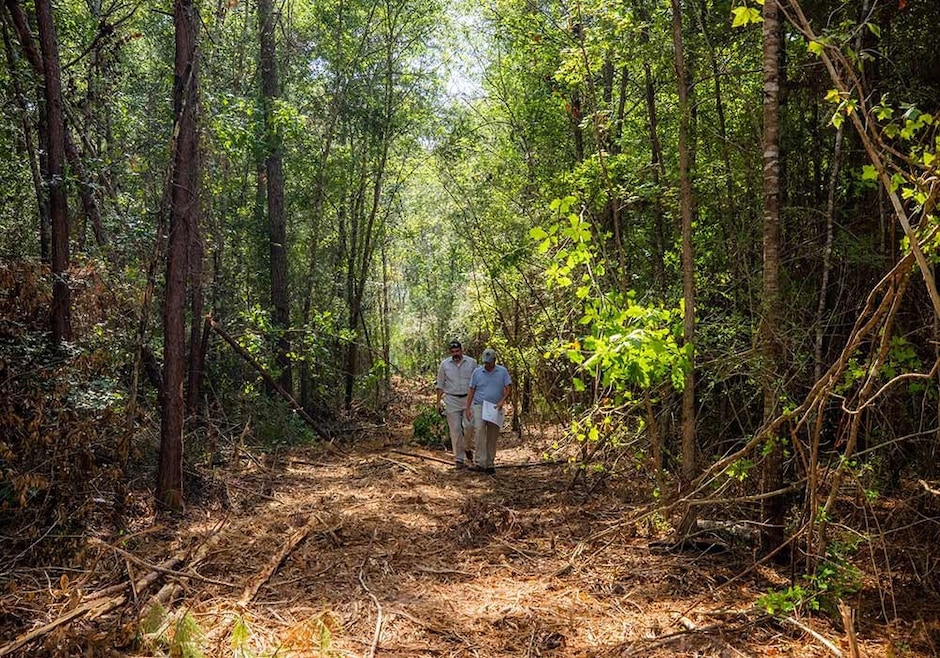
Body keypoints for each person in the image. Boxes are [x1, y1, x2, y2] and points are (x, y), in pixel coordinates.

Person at [465, 348, 512, 475]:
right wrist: (468, 407)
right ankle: (480, 462)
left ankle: (490, 464)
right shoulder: (477, 372)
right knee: (479, 430)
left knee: (492, 435)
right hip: (479, 405)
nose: (487, 365)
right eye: (485, 362)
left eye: (489, 362)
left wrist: (502, 400)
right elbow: (471, 390)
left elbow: (508, 388)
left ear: (494, 361)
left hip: (495, 407)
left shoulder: (502, 372)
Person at [435, 340, 477, 468]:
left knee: (469, 426)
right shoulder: (445, 365)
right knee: (455, 430)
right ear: (450, 352)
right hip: (451, 399)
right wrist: (438, 402)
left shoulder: (472, 363)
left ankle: (467, 447)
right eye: (453, 352)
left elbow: (478, 381)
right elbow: (440, 384)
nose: (455, 354)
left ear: (461, 350)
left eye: (457, 351)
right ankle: (459, 459)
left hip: (468, 399)